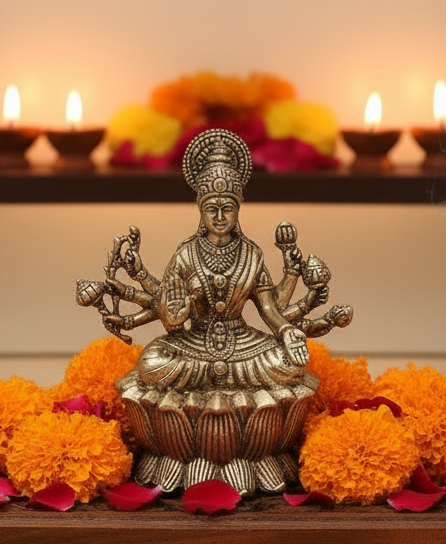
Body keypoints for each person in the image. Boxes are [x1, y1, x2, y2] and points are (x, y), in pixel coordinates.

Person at [100, 128, 350, 392]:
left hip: (242, 341)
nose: (219, 217)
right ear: (201, 210)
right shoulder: (186, 254)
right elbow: (170, 315)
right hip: (194, 341)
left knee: (288, 365)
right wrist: (175, 315)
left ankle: (216, 385)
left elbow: (269, 308)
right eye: (212, 209)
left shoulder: (251, 254)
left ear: (237, 210)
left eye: (227, 208)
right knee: (152, 363)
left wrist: (286, 331)